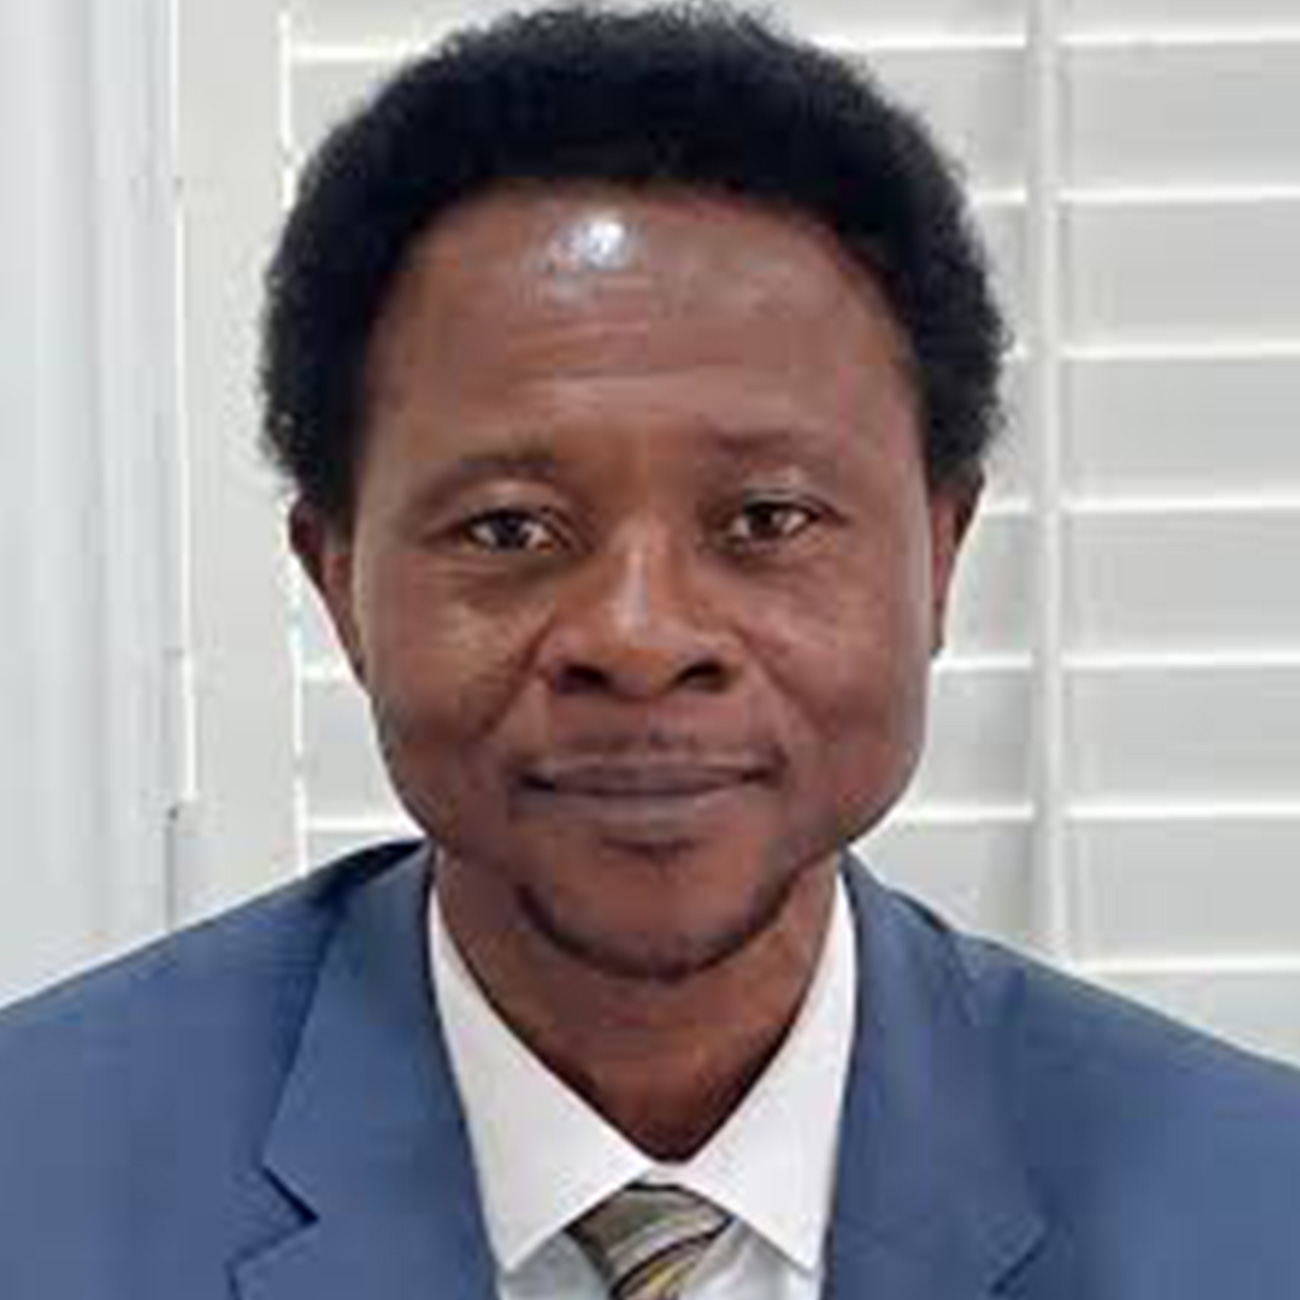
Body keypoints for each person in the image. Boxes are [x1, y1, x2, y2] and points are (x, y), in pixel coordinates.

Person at [2, 5, 1298, 1297]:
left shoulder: (1256, 1211)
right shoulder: (37, 1185)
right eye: (509, 529)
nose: (639, 638)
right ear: (336, 578)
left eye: (767, 520)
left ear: (940, 556)